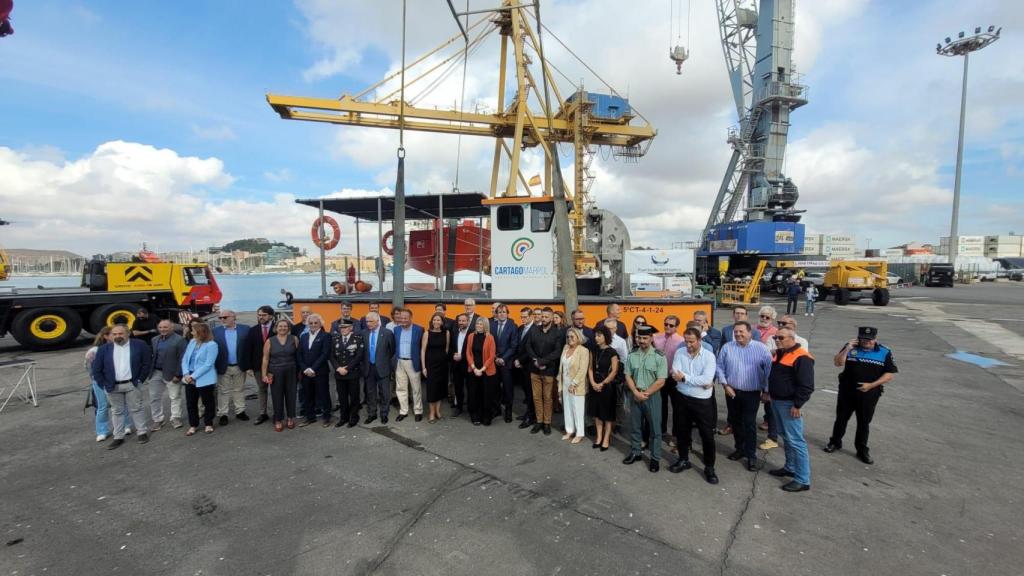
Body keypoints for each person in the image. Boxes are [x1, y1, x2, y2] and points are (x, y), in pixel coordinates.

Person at [824, 326, 898, 465]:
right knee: (841, 418)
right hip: (847, 391)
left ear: (875, 339)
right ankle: (835, 442)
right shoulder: (851, 347)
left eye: (870, 339)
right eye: (864, 338)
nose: (867, 342)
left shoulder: (884, 351)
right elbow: (838, 363)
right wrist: (847, 349)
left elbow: (889, 375)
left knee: (863, 422)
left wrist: (871, 385)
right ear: (859, 337)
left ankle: (862, 449)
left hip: (869, 393)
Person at [716, 321, 772, 471]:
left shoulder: (761, 349)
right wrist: (725, 385)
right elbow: (719, 366)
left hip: (751, 393)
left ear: (749, 332)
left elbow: (768, 371)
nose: (738, 334)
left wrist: (766, 391)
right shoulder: (728, 347)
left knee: (749, 424)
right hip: (732, 392)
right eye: (736, 332)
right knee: (735, 422)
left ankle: (751, 455)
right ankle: (739, 449)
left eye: (741, 332)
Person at [668, 328, 720, 484]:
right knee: (682, 431)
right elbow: (675, 373)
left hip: (702, 401)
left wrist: (684, 378)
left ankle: (710, 467)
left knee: (707, 435)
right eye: (686, 341)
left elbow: (706, 379)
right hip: (682, 398)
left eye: (692, 341)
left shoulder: (709, 356)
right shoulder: (680, 352)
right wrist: (689, 379)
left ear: (699, 340)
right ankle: (683, 459)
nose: (688, 344)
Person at [767, 327, 815, 492]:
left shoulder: (802, 357)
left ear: (792, 338)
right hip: (777, 401)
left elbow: (807, 385)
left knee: (796, 441)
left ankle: (803, 479)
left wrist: (797, 405)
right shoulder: (780, 353)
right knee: (786, 437)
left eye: (781, 337)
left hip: (789, 405)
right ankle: (790, 467)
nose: (777, 340)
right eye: (775, 337)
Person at [92, 324, 153, 450]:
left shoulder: (139, 345)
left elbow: (147, 363)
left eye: (120, 334)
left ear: (128, 333)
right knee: (117, 411)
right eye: (114, 334)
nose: (117, 336)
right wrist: (102, 384)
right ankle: (118, 437)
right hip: (112, 386)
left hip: (132, 384)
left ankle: (142, 433)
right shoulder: (104, 349)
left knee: (137, 408)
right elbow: (96, 369)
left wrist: (141, 379)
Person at [622, 325, 668, 473]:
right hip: (635, 395)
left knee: (655, 429)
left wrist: (645, 394)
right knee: (635, 427)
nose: (641, 341)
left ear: (651, 338)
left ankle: (655, 458)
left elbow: (661, 380)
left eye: (644, 338)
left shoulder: (659, 356)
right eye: (639, 337)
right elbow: (627, 375)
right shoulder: (632, 354)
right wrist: (635, 392)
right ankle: (636, 452)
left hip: (652, 397)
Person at [526, 308, 563, 435]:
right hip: (534, 369)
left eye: (547, 317)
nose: (544, 319)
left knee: (547, 398)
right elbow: (528, 346)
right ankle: (539, 422)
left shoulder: (557, 333)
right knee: (536, 397)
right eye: (543, 316)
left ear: (552, 318)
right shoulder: (534, 329)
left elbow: (557, 352)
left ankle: (547, 423)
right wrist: (536, 360)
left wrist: (542, 362)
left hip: (548, 370)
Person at [213, 310, 251, 426]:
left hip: (240, 365)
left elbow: (249, 347)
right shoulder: (215, 331)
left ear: (233, 317)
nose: (222, 320)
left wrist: (249, 365)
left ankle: (240, 411)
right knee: (223, 391)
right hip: (223, 366)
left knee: (239, 389)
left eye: (224, 317)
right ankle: (223, 414)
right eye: (220, 318)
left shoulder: (245, 329)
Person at [181, 322, 219, 435]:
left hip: (204, 378)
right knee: (191, 403)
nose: (190, 332)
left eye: (193, 330)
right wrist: (186, 374)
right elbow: (185, 359)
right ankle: (193, 425)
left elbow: (208, 364)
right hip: (189, 377)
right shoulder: (192, 342)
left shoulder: (212, 345)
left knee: (208, 402)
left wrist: (193, 376)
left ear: (200, 332)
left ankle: (208, 423)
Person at [148, 319, 186, 430]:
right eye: (160, 327)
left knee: (175, 397)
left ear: (172, 327)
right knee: (154, 398)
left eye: (165, 327)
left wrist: (178, 374)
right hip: (156, 372)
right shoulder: (154, 339)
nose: (162, 329)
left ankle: (175, 418)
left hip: (172, 373)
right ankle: (158, 420)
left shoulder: (180, 340)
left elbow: (182, 359)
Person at [586, 325, 619, 451]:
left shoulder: (612, 352)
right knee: (597, 414)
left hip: (607, 386)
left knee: (607, 415)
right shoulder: (593, 350)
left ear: (606, 336)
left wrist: (602, 384)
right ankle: (599, 438)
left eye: (599, 335)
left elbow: (614, 371)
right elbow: (590, 368)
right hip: (595, 385)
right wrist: (593, 382)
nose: (596, 338)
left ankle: (606, 439)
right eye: (595, 335)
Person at [262, 319, 299, 431]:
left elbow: (299, 355)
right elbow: (265, 358)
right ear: (276, 328)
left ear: (288, 328)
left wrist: (300, 371)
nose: (283, 328)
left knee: (291, 395)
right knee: (277, 395)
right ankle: (278, 419)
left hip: (291, 370)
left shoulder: (294, 338)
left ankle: (290, 418)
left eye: (285, 326)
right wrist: (264, 374)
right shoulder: (270, 341)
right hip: (275, 371)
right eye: (280, 326)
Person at [652, 316, 684, 442]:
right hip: (659, 378)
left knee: (677, 408)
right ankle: (661, 431)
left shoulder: (681, 341)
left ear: (676, 327)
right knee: (661, 406)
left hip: (673, 378)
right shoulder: (656, 337)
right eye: (666, 324)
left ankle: (675, 435)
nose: (668, 327)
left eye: (671, 325)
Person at [297, 313, 332, 427]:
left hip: (320, 371)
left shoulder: (326, 336)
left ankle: (327, 417)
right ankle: (310, 417)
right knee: (308, 395)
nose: (313, 325)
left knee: (323, 395)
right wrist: (305, 369)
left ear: (320, 323)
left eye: (315, 323)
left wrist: (313, 368)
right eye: (310, 323)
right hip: (306, 372)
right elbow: (299, 354)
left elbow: (325, 354)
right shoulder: (304, 336)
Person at [392, 307, 425, 422]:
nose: (403, 320)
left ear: (411, 318)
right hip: (399, 361)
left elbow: (422, 348)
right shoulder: (396, 330)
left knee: (416, 388)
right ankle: (403, 411)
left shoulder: (419, 329)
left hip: (413, 362)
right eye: (401, 318)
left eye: (405, 318)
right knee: (401, 388)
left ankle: (418, 410)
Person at [362, 312, 395, 424]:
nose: (368, 323)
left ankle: (384, 414)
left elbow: (392, 350)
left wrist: (383, 361)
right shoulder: (364, 333)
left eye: (370, 321)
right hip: (368, 368)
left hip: (382, 367)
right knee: (370, 393)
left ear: (377, 321)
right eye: (367, 321)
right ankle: (372, 414)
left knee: (384, 392)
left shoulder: (387, 333)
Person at [330, 318, 364, 428]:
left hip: (352, 373)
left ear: (351, 328)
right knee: (342, 397)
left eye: (345, 327)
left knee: (354, 396)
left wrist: (347, 368)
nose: (343, 329)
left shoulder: (357, 339)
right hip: (339, 373)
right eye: (341, 327)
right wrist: (338, 368)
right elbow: (331, 356)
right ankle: (343, 417)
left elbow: (359, 356)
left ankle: (354, 417)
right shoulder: (335, 339)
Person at [558, 327, 590, 444]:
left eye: (572, 336)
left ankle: (580, 433)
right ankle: (569, 430)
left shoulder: (583, 350)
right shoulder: (565, 348)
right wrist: (560, 385)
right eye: (568, 337)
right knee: (567, 407)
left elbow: (583, 370)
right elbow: (561, 368)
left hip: (577, 385)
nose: (569, 339)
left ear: (578, 337)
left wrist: (574, 383)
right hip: (565, 382)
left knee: (577, 409)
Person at [246, 305, 276, 425]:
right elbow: (248, 349)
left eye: (264, 315)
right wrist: (248, 366)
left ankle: (277, 412)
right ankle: (263, 413)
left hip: (275, 365)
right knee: (262, 389)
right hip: (258, 366)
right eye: (259, 315)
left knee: (276, 390)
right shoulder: (253, 330)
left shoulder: (277, 328)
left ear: (271, 316)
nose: (261, 317)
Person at [464, 316, 497, 426]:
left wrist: (482, 369)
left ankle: (486, 416)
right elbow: (468, 353)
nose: (478, 326)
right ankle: (475, 416)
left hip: (486, 371)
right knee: (474, 394)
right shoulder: (471, 336)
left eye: (481, 324)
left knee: (486, 395)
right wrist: (474, 368)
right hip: (473, 370)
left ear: (485, 326)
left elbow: (492, 356)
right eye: (477, 324)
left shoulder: (490, 338)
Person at [490, 304, 518, 422]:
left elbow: (513, 345)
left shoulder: (512, 326)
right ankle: (496, 410)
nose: (501, 314)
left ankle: (508, 412)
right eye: (499, 312)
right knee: (495, 388)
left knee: (508, 389)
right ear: (496, 314)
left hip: (506, 363)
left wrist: (503, 358)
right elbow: (490, 343)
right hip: (494, 361)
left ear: (507, 313)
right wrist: (495, 357)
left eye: (504, 312)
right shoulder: (492, 325)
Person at [85, 327, 114, 442]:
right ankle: (102, 431)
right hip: (100, 381)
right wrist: (98, 380)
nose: (116, 336)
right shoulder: (94, 351)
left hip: (116, 380)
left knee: (120, 405)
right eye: (113, 334)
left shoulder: (118, 348)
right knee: (102, 406)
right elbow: (89, 367)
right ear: (106, 336)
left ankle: (126, 426)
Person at [422, 312, 450, 423]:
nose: (436, 322)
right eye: (434, 320)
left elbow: (446, 349)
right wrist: (424, 367)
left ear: (442, 322)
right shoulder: (427, 333)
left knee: (440, 389)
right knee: (432, 389)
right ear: (431, 321)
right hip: (430, 366)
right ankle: (432, 413)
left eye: (438, 320)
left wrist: (442, 359)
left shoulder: (446, 333)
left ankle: (438, 411)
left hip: (442, 366)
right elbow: (423, 351)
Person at [514, 307, 536, 428]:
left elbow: (531, 349)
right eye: (521, 317)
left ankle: (530, 416)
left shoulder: (535, 329)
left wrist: (520, 360)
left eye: (525, 317)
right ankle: (527, 412)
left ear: (531, 316)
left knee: (530, 393)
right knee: (525, 392)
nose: (523, 319)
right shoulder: (520, 328)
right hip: (520, 366)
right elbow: (518, 346)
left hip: (529, 366)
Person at [450, 313, 471, 417]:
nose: (461, 323)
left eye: (463, 321)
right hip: (456, 365)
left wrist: (462, 356)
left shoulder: (472, 333)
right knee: (458, 387)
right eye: (459, 321)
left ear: (468, 322)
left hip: (468, 365)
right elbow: (451, 348)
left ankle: (471, 408)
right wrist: (453, 355)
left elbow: (473, 351)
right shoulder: (454, 332)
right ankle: (459, 407)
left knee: (470, 387)